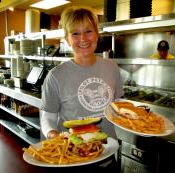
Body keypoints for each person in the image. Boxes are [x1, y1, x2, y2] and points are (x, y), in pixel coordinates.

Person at [40, 6, 123, 172]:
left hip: (107, 153)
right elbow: (48, 116)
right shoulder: (55, 76)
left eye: (88, 31)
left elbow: (117, 104)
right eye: (75, 33)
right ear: (67, 38)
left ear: (97, 34)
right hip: (73, 158)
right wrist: (52, 134)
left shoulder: (112, 68)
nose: (83, 38)